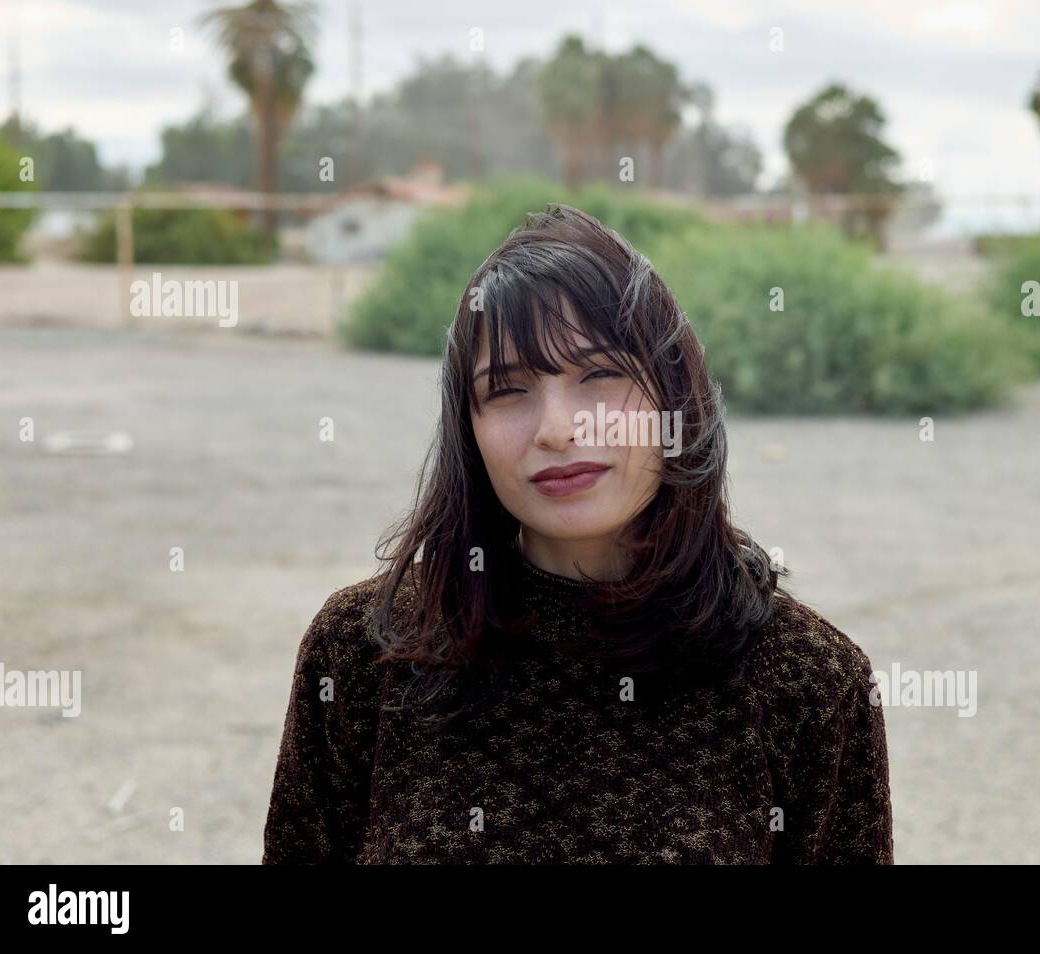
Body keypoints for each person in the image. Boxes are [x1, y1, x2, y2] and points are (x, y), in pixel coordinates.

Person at [261, 203, 894, 864]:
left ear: (674, 399)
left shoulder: (808, 679)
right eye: (506, 389)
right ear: (468, 430)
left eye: (600, 374)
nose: (558, 429)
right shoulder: (363, 651)